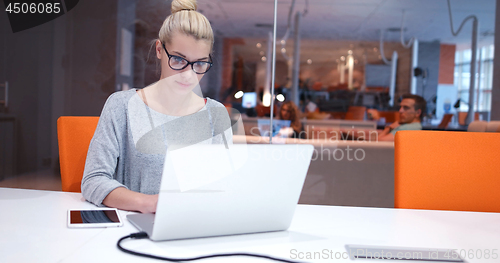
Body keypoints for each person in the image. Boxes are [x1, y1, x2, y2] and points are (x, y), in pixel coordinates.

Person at [81, 0, 232, 213]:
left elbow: (223, 187)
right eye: (179, 60)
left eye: (199, 64)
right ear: (160, 50)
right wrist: (151, 204)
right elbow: (94, 180)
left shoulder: (215, 115)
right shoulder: (122, 106)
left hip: (193, 228)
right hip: (131, 228)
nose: (189, 75)